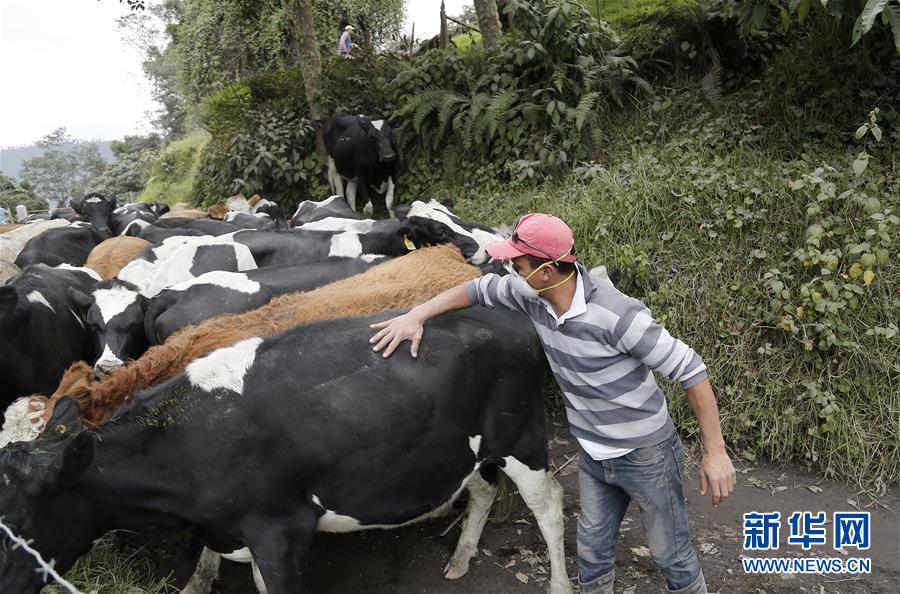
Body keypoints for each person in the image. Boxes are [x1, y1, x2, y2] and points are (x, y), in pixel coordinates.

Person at [369, 213, 736, 594]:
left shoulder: (619, 316)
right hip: (594, 455)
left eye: (518, 264)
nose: (509, 270)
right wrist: (415, 315)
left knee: (669, 554)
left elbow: (692, 370)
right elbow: (476, 291)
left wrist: (716, 452)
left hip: (646, 455)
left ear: (546, 271)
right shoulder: (532, 297)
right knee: (592, 555)